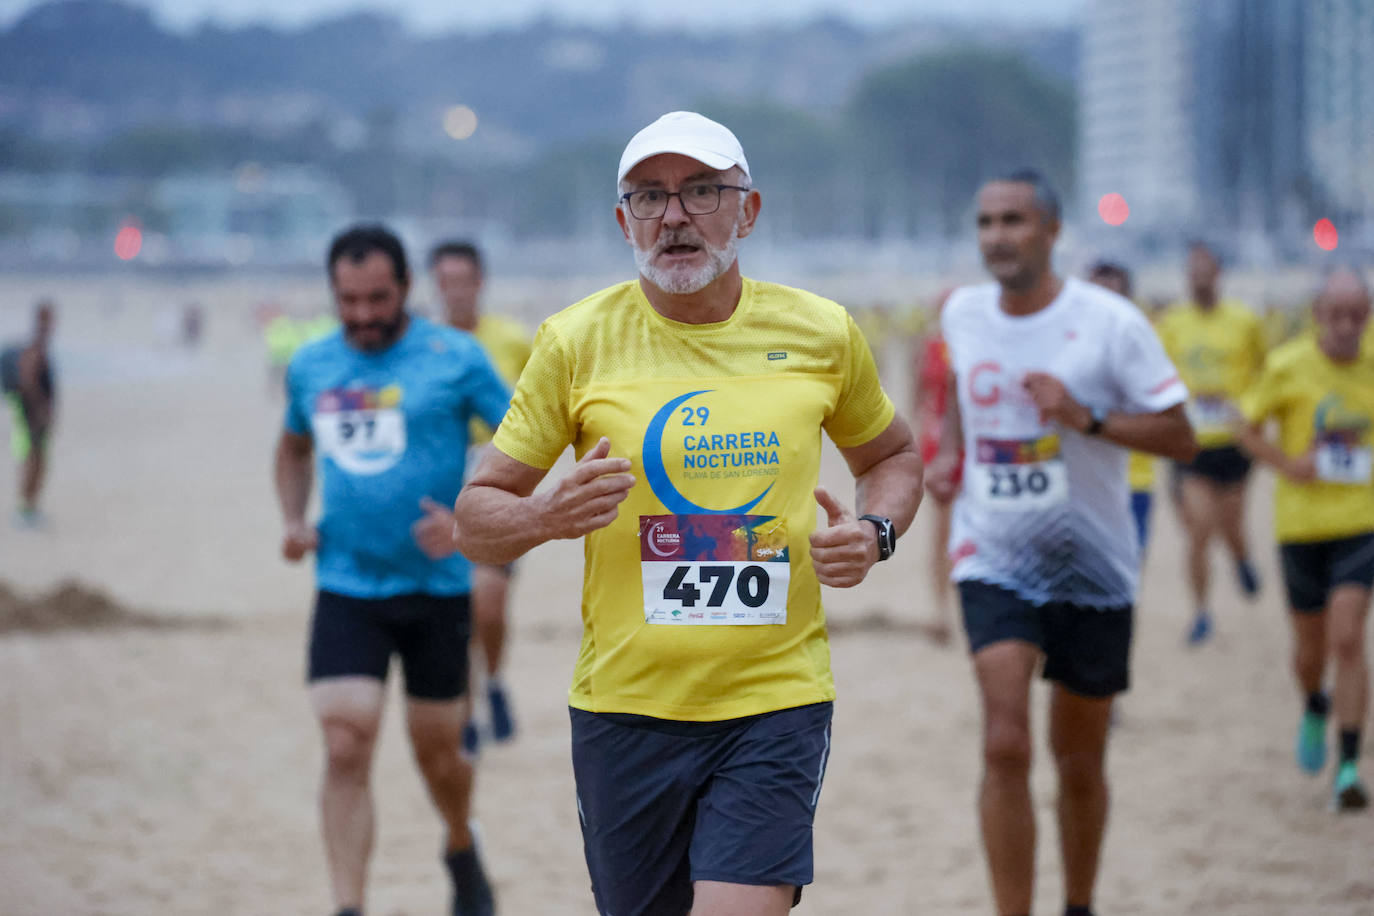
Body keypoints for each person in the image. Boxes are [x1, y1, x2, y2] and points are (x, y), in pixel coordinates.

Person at [452, 111, 922, 916]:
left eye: (701, 191)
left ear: (749, 208)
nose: (674, 216)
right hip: (625, 711)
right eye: (648, 197)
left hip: (773, 702)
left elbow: (893, 458)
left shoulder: (821, 332)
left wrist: (874, 534)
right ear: (622, 220)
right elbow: (475, 514)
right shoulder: (574, 342)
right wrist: (546, 518)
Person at [925, 170, 1196, 916]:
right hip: (993, 555)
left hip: (1094, 567)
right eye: (985, 223)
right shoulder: (963, 314)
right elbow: (964, 403)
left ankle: (1078, 904)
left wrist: (1088, 421)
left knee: (1079, 761)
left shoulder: (1111, 323)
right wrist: (947, 455)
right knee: (1004, 741)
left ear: (1050, 230)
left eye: (1013, 221)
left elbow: (1182, 435)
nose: (997, 238)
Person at [274, 224, 510, 916]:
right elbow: (290, 449)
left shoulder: (454, 357)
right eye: (349, 300)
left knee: (439, 756)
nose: (364, 315)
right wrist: (293, 518)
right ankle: (349, 906)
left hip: (437, 591)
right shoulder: (312, 365)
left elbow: (523, 442)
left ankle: (461, 844)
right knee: (346, 741)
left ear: (406, 288)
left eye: (378, 298)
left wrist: (470, 519)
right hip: (346, 585)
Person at [1235, 266, 1374, 813]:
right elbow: (1244, 427)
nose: (1345, 327)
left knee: (1348, 637)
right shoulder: (1288, 365)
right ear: (1318, 316)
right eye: (1335, 315)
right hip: (1300, 527)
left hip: (1361, 523)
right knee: (1309, 651)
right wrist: (1287, 464)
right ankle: (1314, 702)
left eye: (1356, 317)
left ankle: (1347, 768)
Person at [429, 240, 533, 750]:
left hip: (495, 478)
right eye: (444, 281)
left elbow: (543, 412)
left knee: (488, 604)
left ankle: (492, 682)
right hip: (436, 484)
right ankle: (465, 711)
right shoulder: (422, 346)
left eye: (462, 280)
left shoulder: (512, 340)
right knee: (453, 607)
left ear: (480, 282)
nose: (454, 291)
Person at [1156, 241, 1267, 644]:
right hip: (1191, 442)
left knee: (1230, 523)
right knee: (1199, 527)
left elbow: (1264, 374)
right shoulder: (1173, 323)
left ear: (1219, 273)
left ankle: (1241, 557)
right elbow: (1159, 376)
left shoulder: (1245, 321)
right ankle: (1201, 612)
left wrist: (1248, 411)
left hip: (1233, 442)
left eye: (1206, 271)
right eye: (1193, 272)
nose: (1200, 279)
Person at [1086, 260, 1156, 555]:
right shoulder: (1065, 347)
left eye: (1111, 295)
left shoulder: (1144, 345)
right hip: (1081, 482)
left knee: (1128, 566)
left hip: (1133, 479)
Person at [910, 287, 960, 644]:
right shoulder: (929, 347)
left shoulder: (976, 345)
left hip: (971, 445)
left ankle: (958, 608)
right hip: (935, 439)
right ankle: (940, 609)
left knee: (972, 532)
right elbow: (917, 399)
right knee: (941, 533)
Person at [2, 300, 57, 527]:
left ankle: (30, 507)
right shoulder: (36, 346)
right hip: (32, 414)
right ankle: (25, 509)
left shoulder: (38, 345)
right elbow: (28, 379)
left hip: (32, 413)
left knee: (38, 460)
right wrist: (40, 408)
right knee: (34, 460)